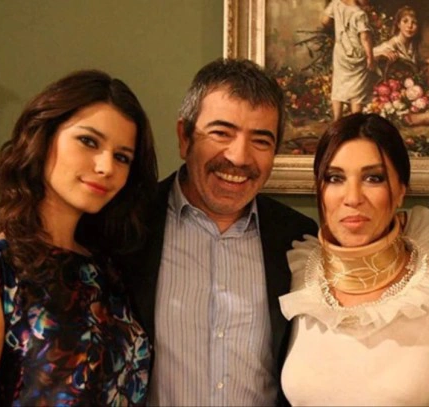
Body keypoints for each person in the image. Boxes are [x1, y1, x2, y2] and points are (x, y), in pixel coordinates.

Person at [120, 58, 318, 406]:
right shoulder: (126, 223)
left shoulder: (298, 238)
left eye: (261, 140)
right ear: (184, 137)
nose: (239, 157)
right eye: (221, 133)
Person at [0, 70, 158, 405]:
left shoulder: (108, 272)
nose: (106, 167)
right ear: (44, 136)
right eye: (89, 141)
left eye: (122, 157)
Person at [279, 113, 429, 406]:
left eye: (373, 178)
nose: (352, 197)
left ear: (400, 190)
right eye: (335, 178)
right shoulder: (299, 279)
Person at [322, 0, 374, 121]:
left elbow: (324, 21)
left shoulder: (336, 3)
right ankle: (355, 120)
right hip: (357, 54)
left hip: (340, 51)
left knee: (339, 84)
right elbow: (365, 37)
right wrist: (370, 57)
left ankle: (337, 119)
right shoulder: (360, 14)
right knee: (357, 88)